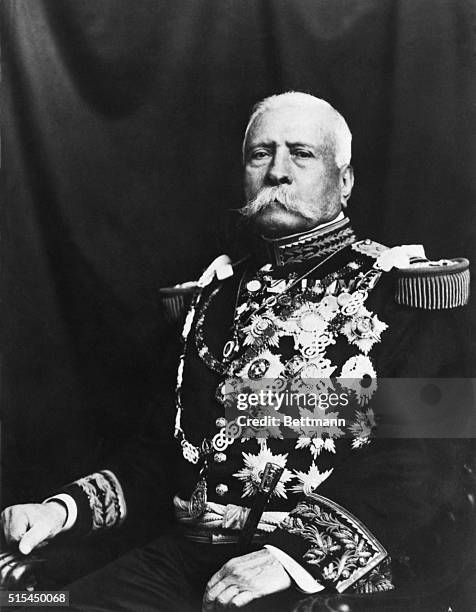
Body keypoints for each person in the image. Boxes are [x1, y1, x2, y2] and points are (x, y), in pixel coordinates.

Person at [1, 92, 473, 611]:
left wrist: (292, 559)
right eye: (261, 154)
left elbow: (424, 465)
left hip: (323, 579)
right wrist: (61, 510)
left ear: (346, 181)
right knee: (48, 607)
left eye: (302, 153)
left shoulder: (404, 298)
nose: (278, 172)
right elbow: (162, 454)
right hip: (191, 560)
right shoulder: (211, 298)